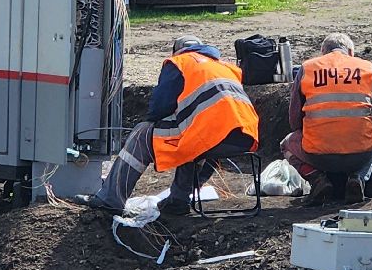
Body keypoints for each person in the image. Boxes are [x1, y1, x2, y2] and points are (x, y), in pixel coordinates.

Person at [87, 35, 259, 216]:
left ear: (176, 51)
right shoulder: (225, 66)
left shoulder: (179, 63)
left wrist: (156, 120)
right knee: (192, 136)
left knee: (141, 134)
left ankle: (110, 199)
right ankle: (178, 199)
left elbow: (159, 107)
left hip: (212, 135)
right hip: (245, 136)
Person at [283, 32, 372, 206]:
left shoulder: (307, 68)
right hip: (361, 155)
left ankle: (318, 180)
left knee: (286, 144)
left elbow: (294, 120)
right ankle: (359, 178)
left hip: (318, 155)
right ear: (351, 52)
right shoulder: (366, 68)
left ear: (323, 52)